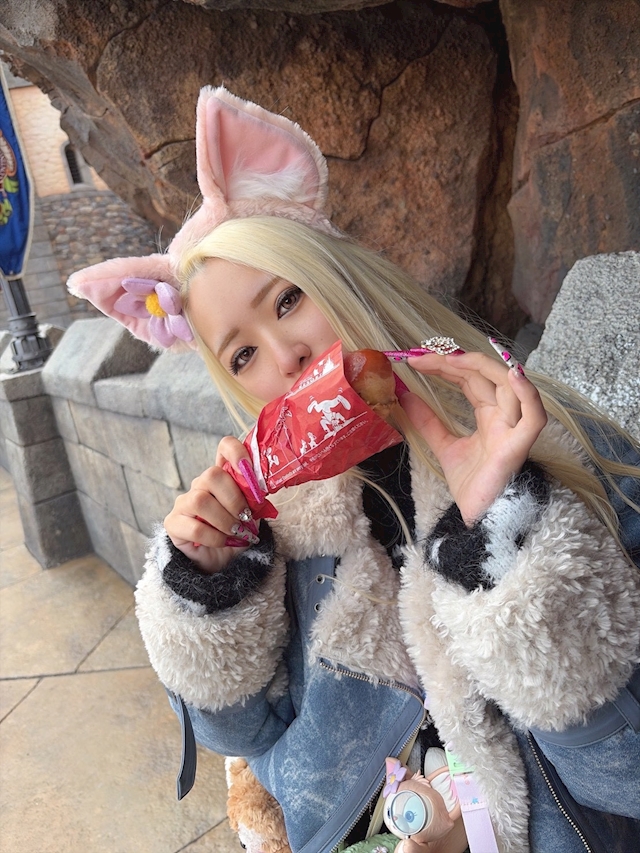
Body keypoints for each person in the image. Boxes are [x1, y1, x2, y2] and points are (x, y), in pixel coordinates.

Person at [68, 87, 640, 853]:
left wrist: (505, 536)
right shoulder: (277, 526)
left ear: (345, 275)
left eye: (288, 299)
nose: (286, 356)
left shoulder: (558, 445)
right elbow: (246, 738)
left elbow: (627, 778)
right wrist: (210, 585)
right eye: (242, 353)